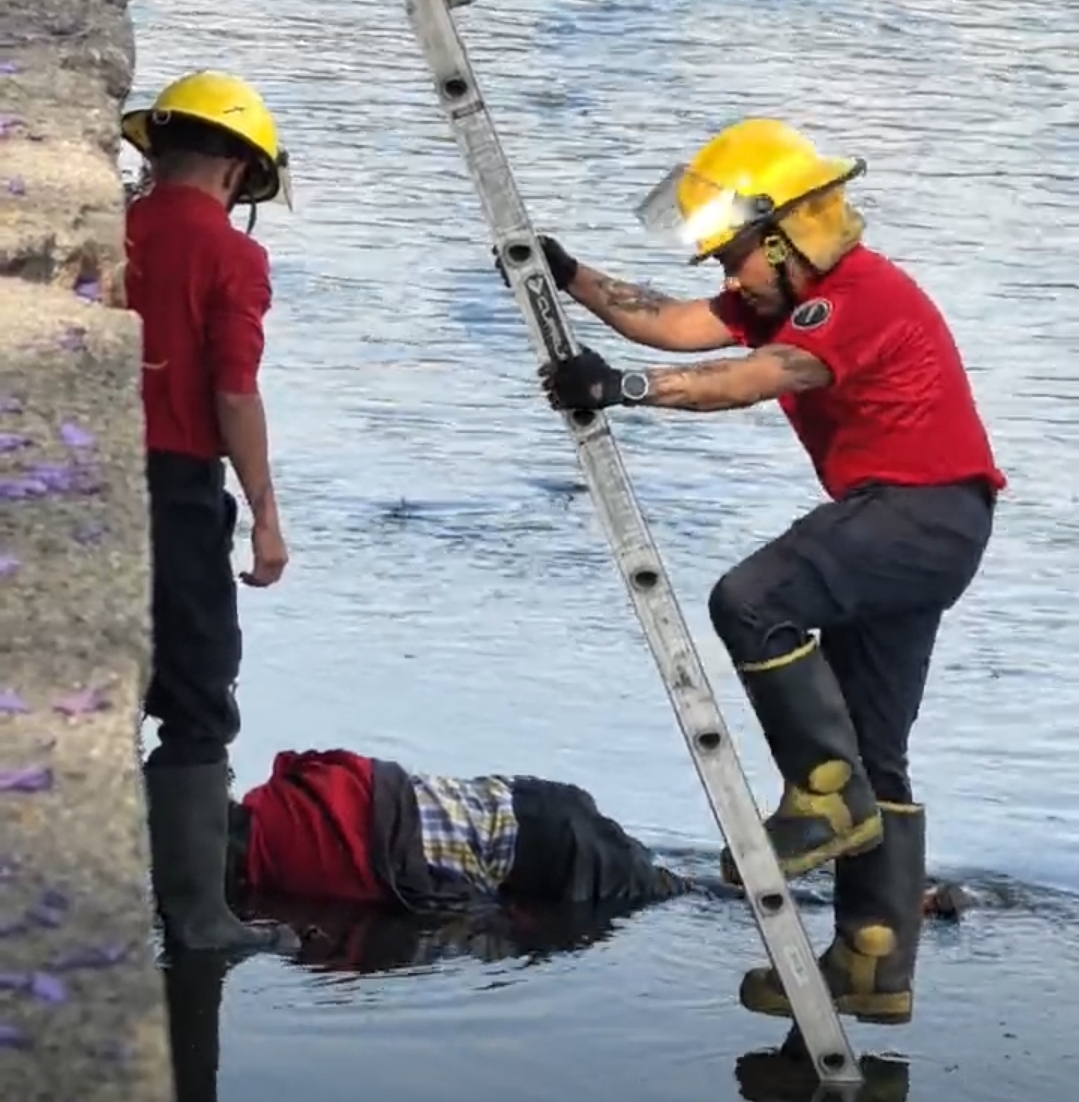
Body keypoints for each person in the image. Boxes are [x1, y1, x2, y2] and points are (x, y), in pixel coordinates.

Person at [508, 117, 1004, 1024]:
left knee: (751, 599)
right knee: (875, 748)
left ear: (786, 236)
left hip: (914, 512)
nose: (725, 276)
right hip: (932, 526)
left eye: (735, 255)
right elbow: (673, 324)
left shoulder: (854, 295)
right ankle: (872, 962)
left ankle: (821, 800)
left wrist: (620, 389)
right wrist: (568, 273)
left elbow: (752, 376)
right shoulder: (782, 293)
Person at [122, 70, 297, 955]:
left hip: (71, 474)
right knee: (195, 700)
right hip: (174, 488)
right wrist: (265, 512)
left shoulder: (105, 224)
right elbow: (234, 392)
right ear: (235, 169)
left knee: (95, 684)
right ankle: (195, 920)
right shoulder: (232, 256)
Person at [225, 748, 687, 911]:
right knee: (677, 885)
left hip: (548, 858)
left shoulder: (288, 867)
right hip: (520, 799)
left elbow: (419, 895)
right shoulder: (289, 787)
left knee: (685, 894)